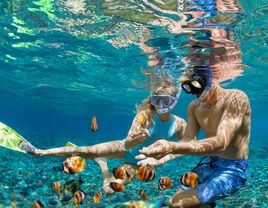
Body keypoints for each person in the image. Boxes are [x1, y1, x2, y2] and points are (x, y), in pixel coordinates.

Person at [19, 84, 186, 194]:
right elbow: (128, 142)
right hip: (123, 147)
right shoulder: (144, 116)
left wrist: (163, 158)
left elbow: (186, 147)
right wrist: (133, 140)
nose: (161, 106)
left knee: (109, 190)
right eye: (157, 101)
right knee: (86, 150)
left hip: (138, 164)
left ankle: (103, 163)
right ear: (152, 101)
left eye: (166, 101)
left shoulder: (179, 124)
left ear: (174, 102)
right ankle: (39, 152)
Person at [137, 69, 251, 207]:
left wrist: (171, 147)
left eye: (196, 85)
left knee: (179, 205)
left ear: (210, 78)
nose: (195, 93)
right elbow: (187, 142)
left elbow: (222, 143)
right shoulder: (194, 107)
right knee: (173, 201)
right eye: (188, 88)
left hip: (233, 169)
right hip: (210, 163)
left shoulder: (236, 98)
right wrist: (161, 159)